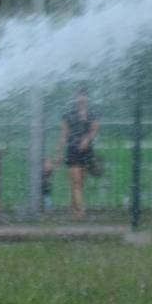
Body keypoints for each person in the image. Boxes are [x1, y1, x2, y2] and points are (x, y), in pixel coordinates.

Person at [58, 86, 99, 218]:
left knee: (80, 183)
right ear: (75, 99)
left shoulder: (92, 114)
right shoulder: (69, 115)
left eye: (83, 95)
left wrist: (86, 140)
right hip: (73, 150)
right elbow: (63, 135)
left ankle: (74, 209)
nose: (81, 98)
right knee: (76, 182)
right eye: (79, 96)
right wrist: (60, 152)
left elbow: (94, 131)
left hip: (87, 151)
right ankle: (82, 210)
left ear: (87, 98)